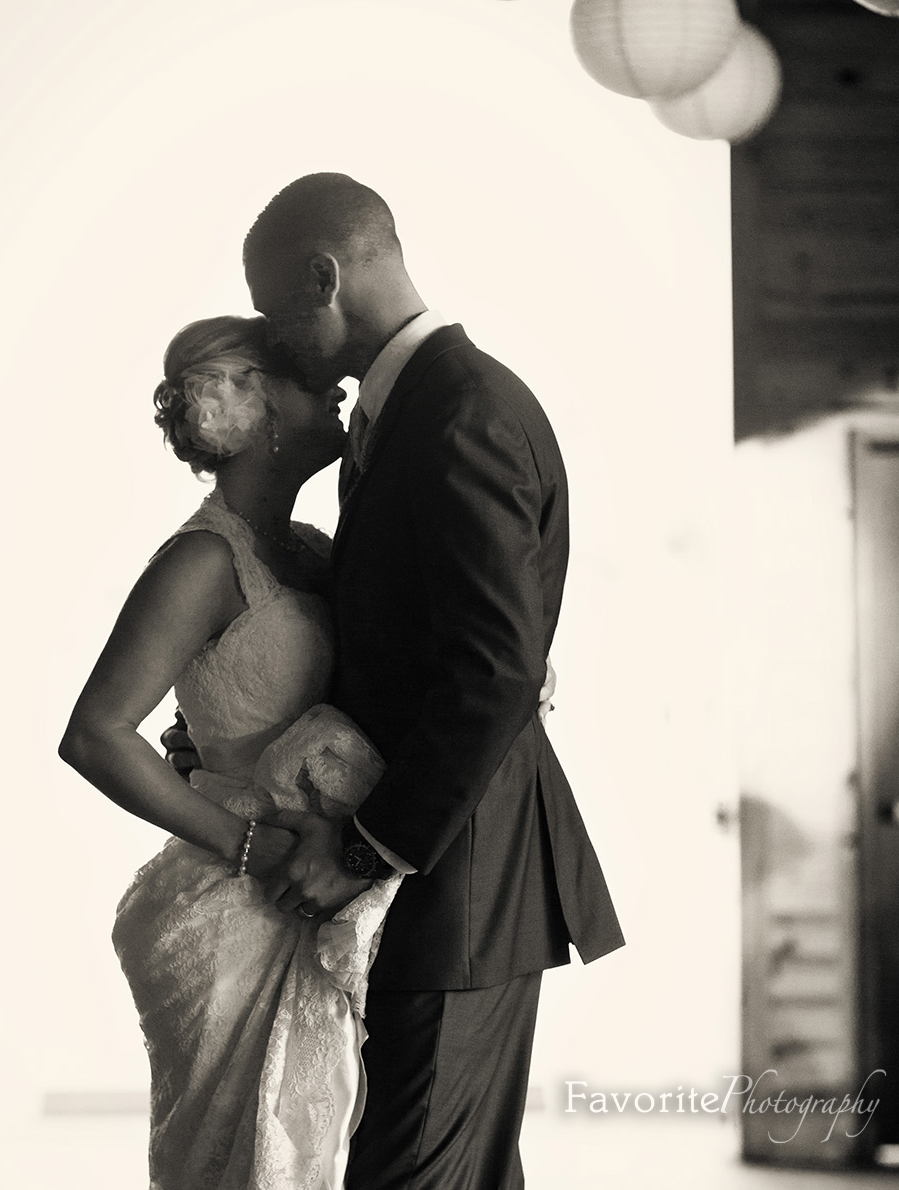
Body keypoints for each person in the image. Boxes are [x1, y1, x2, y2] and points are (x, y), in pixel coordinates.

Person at [230, 172, 625, 1189]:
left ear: (324, 276)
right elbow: (412, 644)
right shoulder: (423, 408)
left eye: (281, 316)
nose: (281, 347)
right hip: (450, 873)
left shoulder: (461, 414)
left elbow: (495, 669)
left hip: (463, 878)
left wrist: (366, 848)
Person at [59, 315, 403, 1190]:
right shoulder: (203, 561)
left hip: (315, 888)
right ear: (254, 404)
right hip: (240, 903)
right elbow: (96, 732)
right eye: (303, 374)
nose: (336, 385)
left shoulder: (310, 553)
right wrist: (247, 842)